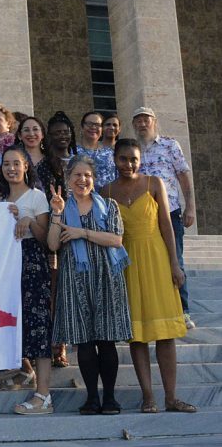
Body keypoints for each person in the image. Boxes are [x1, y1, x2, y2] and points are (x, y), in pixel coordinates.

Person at [102, 139, 196, 414]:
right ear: (115, 160)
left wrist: (175, 264)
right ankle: (148, 397)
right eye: (123, 158)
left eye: (133, 158)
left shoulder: (155, 183)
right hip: (126, 263)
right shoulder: (106, 190)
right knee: (138, 336)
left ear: (140, 159)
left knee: (165, 334)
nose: (128, 164)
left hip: (156, 258)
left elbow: (167, 225)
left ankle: (171, 397)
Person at [47, 155, 131, 415]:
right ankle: (91, 398)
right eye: (77, 175)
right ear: (68, 179)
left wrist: (81, 232)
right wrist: (57, 213)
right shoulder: (62, 207)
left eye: (88, 176)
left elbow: (116, 240)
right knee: (83, 343)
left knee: (106, 341)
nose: (83, 180)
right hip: (75, 278)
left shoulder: (108, 205)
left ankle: (110, 398)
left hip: (106, 276)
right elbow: (52, 245)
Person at [0, 146, 54, 415]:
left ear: (26, 166)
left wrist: (29, 220)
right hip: (5, 265)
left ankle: (44, 395)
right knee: (9, 321)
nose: (11, 168)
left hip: (32, 262)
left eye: (16, 163)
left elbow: (46, 241)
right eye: (6, 164)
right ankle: (23, 371)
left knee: (38, 325)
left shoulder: (37, 197)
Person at [132, 106, 197, 330]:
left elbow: (183, 177)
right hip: (142, 215)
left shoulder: (170, 145)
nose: (142, 124)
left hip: (170, 212)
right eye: (138, 120)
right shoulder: (132, 150)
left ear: (155, 122)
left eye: (146, 119)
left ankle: (183, 310)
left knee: (175, 258)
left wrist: (190, 207)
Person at [36, 112, 78, 369]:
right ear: (49, 137)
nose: (62, 136)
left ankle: (64, 342)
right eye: (57, 132)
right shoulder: (44, 165)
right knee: (52, 290)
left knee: (66, 292)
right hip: (53, 229)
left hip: (78, 230)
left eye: (66, 131)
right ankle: (54, 346)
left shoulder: (80, 160)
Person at [77, 111, 116, 191]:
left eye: (97, 125)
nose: (93, 127)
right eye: (89, 124)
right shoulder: (73, 151)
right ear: (82, 127)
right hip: (80, 199)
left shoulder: (110, 153)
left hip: (106, 200)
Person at [16, 116, 47, 185]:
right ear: (19, 136)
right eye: (26, 130)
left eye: (35, 129)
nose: (31, 134)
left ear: (42, 134)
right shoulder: (13, 161)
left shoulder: (53, 162)